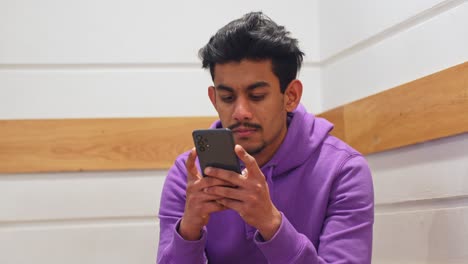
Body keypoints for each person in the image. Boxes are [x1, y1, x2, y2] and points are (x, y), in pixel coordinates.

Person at [157, 11, 374, 264]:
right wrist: (188, 233)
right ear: (214, 99)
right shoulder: (188, 174)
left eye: (257, 95)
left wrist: (270, 223)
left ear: (291, 95)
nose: (240, 112)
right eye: (227, 98)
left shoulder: (343, 170)